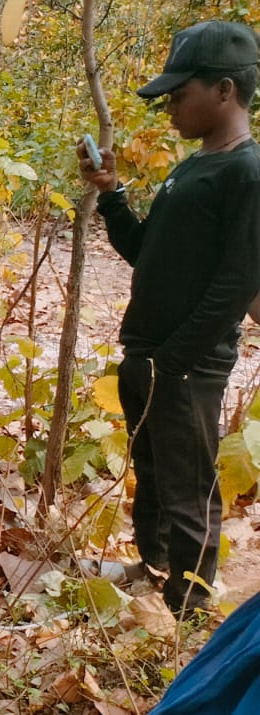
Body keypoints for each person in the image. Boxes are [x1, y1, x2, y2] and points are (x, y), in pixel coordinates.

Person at [78, 20, 260, 618]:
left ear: (226, 91)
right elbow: (147, 253)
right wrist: (111, 194)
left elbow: (236, 285)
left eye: (181, 95)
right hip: (150, 354)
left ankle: (187, 604)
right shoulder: (191, 169)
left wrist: (174, 360)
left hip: (185, 364)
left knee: (188, 485)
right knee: (153, 471)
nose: (172, 108)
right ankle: (153, 569)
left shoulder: (246, 174)